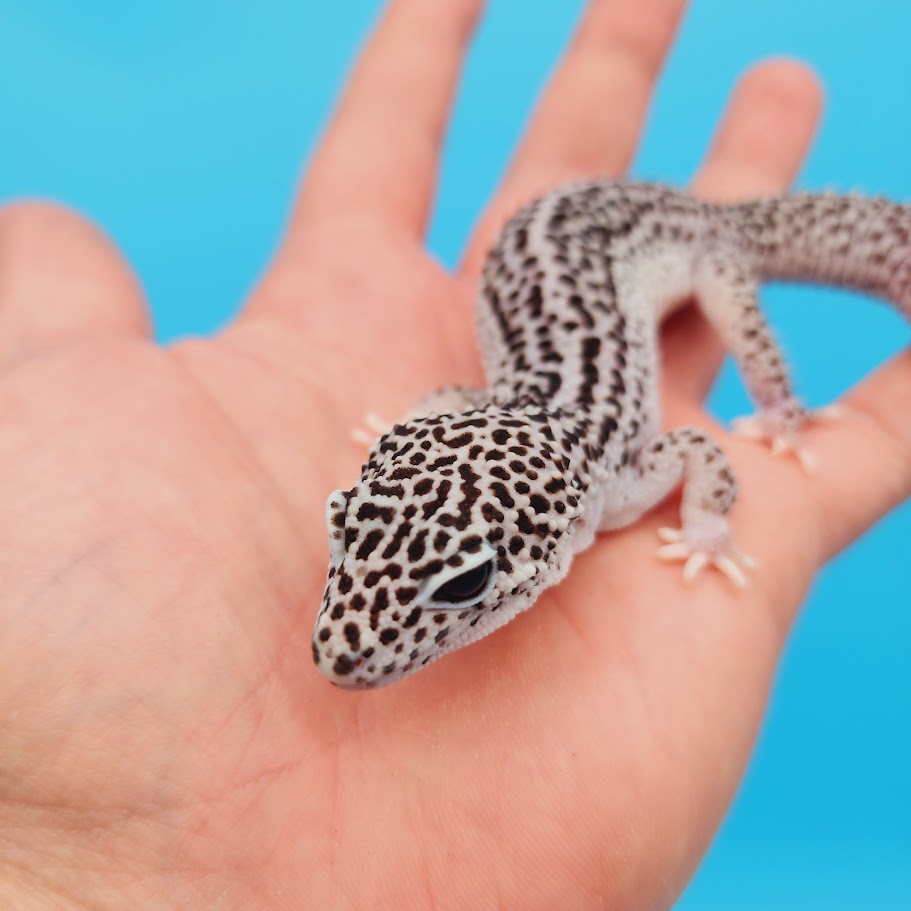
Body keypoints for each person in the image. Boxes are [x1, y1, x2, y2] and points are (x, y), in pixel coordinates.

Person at [0, 0, 906, 907]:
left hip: (664, 237)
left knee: (726, 273)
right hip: (571, 248)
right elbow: (442, 415)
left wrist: (722, 501)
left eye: (462, 587)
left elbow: (701, 460)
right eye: (354, 527)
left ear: (558, 536)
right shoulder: (469, 434)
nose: (347, 644)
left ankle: (784, 394)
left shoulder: (619, 473)